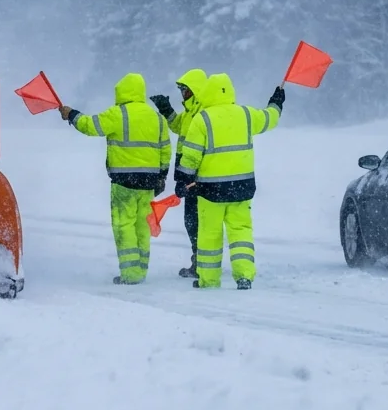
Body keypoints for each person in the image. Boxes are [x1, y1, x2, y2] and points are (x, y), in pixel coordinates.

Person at [58, 73, 172, 285]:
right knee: (143, 225)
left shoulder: (118, 113)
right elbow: (165, 149)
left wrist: (72, 114)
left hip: (124, 181)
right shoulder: (157, 118)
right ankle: (141, 270)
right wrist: (162, 176)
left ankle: (130, 274)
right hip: (149, 181)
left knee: (124, 225)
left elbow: (91, 126)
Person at [176, 73, 285, 290]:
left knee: (209, 234)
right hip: (242, 187)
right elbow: (269, 119)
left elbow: (190, 156)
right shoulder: (245, 114)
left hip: (210, 190)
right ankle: (244, 275)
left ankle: (209, 280)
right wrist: (276, 102)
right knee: (241, 232)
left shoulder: (202, 119)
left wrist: (183, 180)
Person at [150, 68, 210, 278]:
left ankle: (202, 265)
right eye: (181, 90)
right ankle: (201, 262)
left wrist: (187, 178)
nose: (182, 94)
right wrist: (167, 111)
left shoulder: (203, 113)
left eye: (185, 90)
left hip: (198, 178)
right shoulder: (190, 113)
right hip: (190, 176)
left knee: (197, 222)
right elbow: (178, 126)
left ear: (195, 90)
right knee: (193, 221)